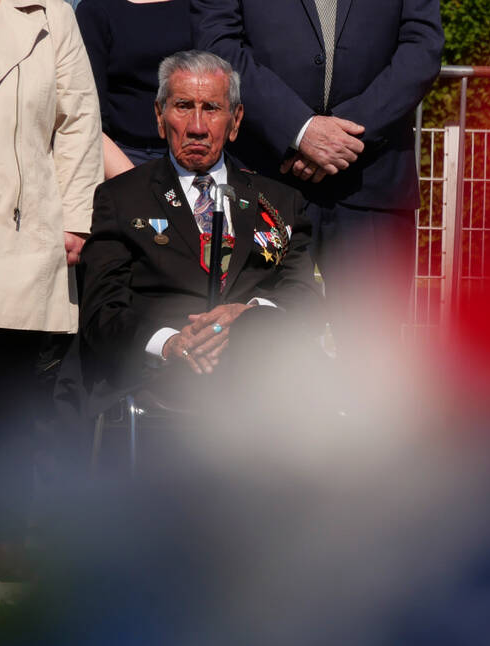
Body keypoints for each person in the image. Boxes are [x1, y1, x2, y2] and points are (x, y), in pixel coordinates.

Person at [77, 49, 323, 412]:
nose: (196, 126)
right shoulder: (121, 198)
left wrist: (249, 314)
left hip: (264, 389)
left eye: (211, 108)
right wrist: (169, 343)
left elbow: (304, 299)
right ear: (160, 117)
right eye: (182, 106)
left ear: (235, 121)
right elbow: (101, 310)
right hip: (159, 385)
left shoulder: (279, 202)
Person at [190, 0, 443, 344]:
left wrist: (344, 137)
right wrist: (298, 129)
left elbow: (422, 49)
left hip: (372, 181)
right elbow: (218, 42)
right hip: (263, 177)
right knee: (256, 354)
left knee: (372, 353)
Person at [0, 0, 101, 577]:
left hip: (21, 233)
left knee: (14, 391)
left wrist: (75, 215)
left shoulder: (50, 11)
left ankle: (4, 530)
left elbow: (79, 118)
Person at [75, 0, 194, 173]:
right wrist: (134, 186)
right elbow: (89, 116)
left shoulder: (206, 6)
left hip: (202, 149)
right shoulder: (96, 9)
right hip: (130, 154)